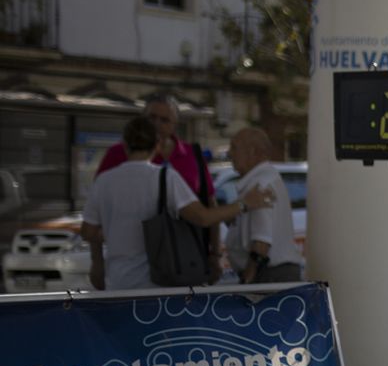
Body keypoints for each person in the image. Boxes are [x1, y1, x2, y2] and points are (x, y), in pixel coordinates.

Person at [83, 116, 273, 291]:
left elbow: (88, 231)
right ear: (157, 144)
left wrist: (105, 250)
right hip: (157, 283)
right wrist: (243, 204)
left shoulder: (104, 181)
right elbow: (203, 217)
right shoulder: (165, 178)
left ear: (124, 144)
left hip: (118, 282)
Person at [97, 93, 224, 283]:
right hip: (130, 264)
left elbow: (209, 204)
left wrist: (215, 255)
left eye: (164, 120)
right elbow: (97, 211)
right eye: (152, 117)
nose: (157, 124)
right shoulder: (118, 153)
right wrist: (97, 261)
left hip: (186, 258)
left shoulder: (192, 154)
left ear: (175, 124)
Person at [224, 127, 303, 284]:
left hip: (268, 275)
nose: (229, 153)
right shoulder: (264, 179)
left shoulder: (260, 184)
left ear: (253, 152)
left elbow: (262, 242)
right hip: (273, 273)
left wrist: (248, 278)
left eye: (234, 147)